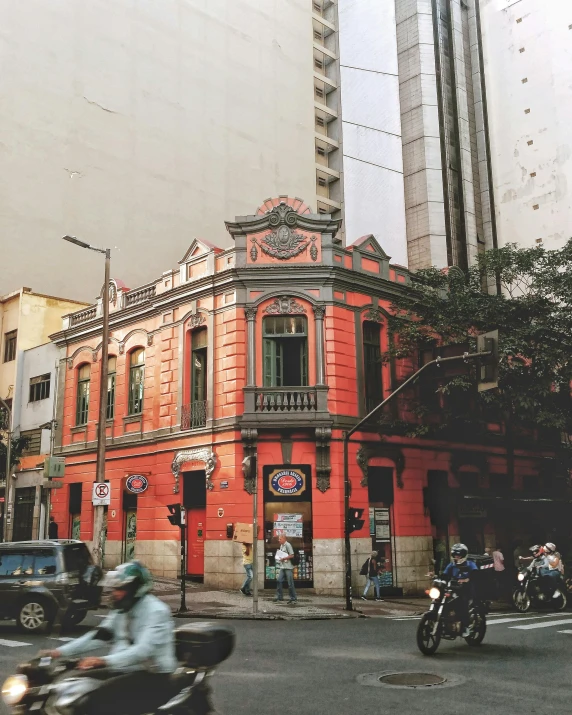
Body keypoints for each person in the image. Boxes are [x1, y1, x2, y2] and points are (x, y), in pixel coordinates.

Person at [42, 560, 177, 715]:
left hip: (154, 676)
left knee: (99, 696)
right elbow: (99, 636)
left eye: (120, 589)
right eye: (114, 588)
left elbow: (142, 651)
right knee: (73, 687)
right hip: (124, 670)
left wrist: (102, 661)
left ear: (135, 588)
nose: (115, 593)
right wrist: (58, 652)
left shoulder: (156, 612)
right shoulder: (122, 610)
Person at [442, 543, 478, 638]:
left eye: (458, 555)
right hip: (454, 588)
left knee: (462, 604)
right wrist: (438, 579)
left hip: (466, 589)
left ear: (463, 555)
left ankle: (465, 626)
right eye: (455, 555)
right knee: (444, 600)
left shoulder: (470, 564)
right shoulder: (452, 565)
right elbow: (445, 575)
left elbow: (475, 574)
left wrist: (467, 579)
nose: (456, 557)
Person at [274, 535, 297, 604]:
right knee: (279, 580)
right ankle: (280, 596)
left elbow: (292, 555)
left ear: (284, 539)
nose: (279, 540)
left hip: (288, 567)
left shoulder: (288, 545)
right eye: (279, 539)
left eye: (280, 539)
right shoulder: (281, 546)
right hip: (283, 566)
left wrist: (284, 558)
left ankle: (293, 598)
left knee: (290, 583)